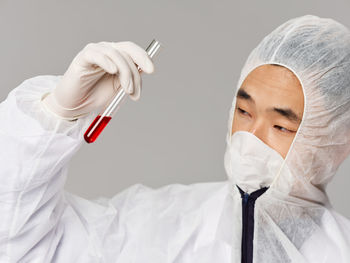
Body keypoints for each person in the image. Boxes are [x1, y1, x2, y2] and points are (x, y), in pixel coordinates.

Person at [1, 14, 350, 263]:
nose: (250, 137)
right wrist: (55, 114)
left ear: (336, 143)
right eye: (243, 112)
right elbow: (21, 245)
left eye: (281, 127)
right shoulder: (159, 224)